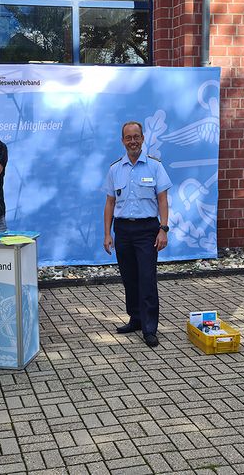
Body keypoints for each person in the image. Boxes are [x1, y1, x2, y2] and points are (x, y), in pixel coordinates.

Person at [102, 121, 172, 348]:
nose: (132, 141)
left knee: (147, 279)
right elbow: (110, 202)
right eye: (128, 137)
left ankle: (150, 328)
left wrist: (163, 229)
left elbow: (162, 200)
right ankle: (136, 319)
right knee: (129, 279)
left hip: (147, 231)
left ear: (143, 139)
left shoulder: (154, 167)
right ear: (122, 141)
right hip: (123, 230)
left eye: (136, 137)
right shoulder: (115, 169)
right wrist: (107, 234)